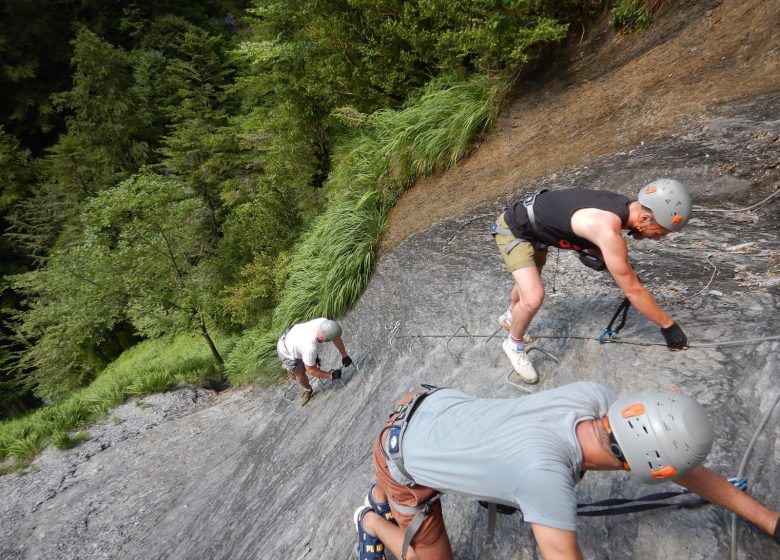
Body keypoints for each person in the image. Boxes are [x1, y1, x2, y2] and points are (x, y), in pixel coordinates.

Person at [353, 382, 780, 560]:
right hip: (400, 460)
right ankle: (370, 517)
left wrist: (770, 521)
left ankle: (382, 497)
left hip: (430, 405)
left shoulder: (595, 398)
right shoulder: (544, 476)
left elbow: (682, 466)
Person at [491, 179, 692, 383]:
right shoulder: (606, 229)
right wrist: (669, 327)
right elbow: (633, 291)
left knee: (527, 284)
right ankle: (513, 344)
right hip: (515, 229)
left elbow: (595, 247)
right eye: (659, 233)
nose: (657, 238)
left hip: (536, 228)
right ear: (646, 218)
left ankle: (510, 316)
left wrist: (623, 274)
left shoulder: (621, 207)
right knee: (533, 297)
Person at [276, 318, 352, 406]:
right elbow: (311, 370)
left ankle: (304, 361)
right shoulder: (310, 347)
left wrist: (344, 355)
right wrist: (331, 376)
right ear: (321, 334)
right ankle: (307, 390)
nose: (324, 341)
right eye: (323, 340)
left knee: (311, 360)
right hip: (287, 352)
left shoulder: (325, 323)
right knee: (300, 373)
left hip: (296, 340)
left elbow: (336, 338)